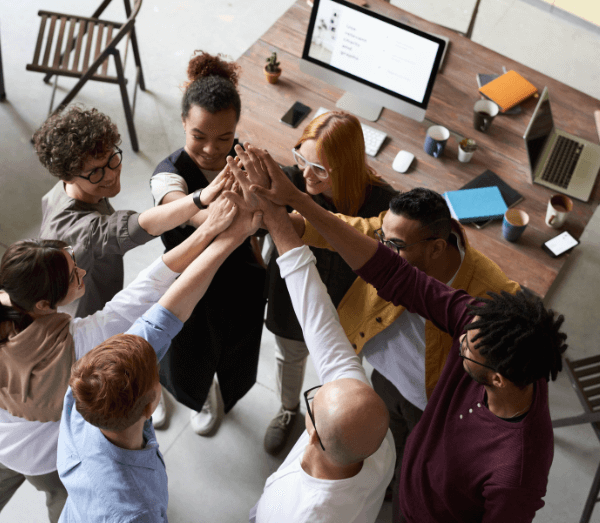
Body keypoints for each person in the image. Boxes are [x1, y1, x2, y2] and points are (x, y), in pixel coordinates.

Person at [239, 145, 569, 523]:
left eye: (466, 348)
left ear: (495, 377)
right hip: (407, 479)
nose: (458, 337)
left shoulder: (518, 470)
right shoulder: (485, 323)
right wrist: (294, 202)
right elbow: (391, 273)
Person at [0, 198, 236, 522]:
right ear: (43, 304)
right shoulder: (80, 346)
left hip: (4, 435)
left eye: (72, 260)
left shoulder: (10, 302)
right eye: (72, 276)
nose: (81, 271)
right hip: (44, 455)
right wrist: (212, 230)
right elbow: (148, 292)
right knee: (65, 499)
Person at [291, 187, 520, 512]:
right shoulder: (394, 231)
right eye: (383, 239)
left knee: (414, 475)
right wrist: (292, 223)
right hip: (384, 379)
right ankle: (385, 480)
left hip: (428, 403)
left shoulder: (488, 291)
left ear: (438, 247)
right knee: (385, 446)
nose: (380, 251)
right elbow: (351, 230)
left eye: (394, 246)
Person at [57, 207, 262, 523]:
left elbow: (168, 312)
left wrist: (233, 235)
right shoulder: (137, 510)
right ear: (152, 403)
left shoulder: (83, 395)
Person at [232, 160, 394, 523]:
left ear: (314, 433)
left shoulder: (309, 515)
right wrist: (276, 218)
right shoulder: (376, 441)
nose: (315, 395)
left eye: (313, 401)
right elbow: (317, 316)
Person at [262, 111, 397, 455]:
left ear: (348, 167)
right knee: (289, 358)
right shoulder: (289, 181)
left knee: (339, 378)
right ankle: (288, 409)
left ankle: (329, 426)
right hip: (293, 302)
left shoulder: (384, 206)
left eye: (319, 168)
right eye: (300, 159)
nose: (305, 173)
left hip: (349, 312)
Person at [149, 51, 266, 435]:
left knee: (232, 353)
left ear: (237, 129)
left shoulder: (249, 162)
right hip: (186, 279)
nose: (212, 149)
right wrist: (217, 214)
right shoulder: (168, 176)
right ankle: (161, 394)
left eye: (224, 138)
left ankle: (210, 396)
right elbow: (183, 210)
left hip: (236, 279)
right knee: (178, 351)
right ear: (183, 122)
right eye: (198, 135)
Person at [35, 106, 230, 321]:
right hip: (87, 320)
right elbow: (139, 225)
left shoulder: (62, 192)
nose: (110, 175)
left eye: (111, 159)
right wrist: (200, 198)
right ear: (68, 176)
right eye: (96, 172)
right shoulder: (83, 230)